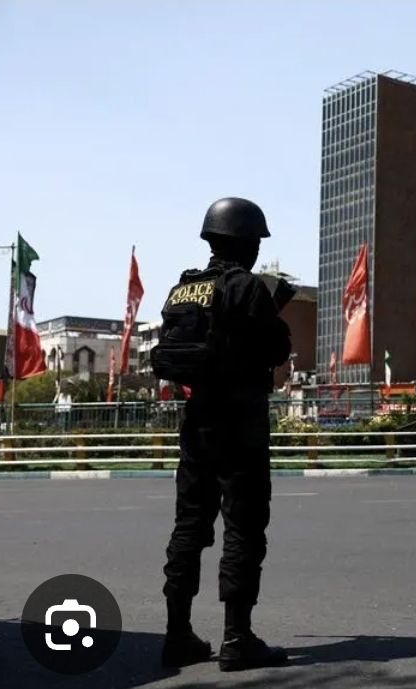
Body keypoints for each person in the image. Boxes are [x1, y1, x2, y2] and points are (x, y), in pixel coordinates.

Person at [151, 197, 293, 671]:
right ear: (247, 242)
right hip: (241, 423)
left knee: (189, 525)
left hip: (197, 421)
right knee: (244, 527)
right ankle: (237, 638)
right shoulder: (247, 287)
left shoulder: (182, 290)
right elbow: (277, 349)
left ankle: (177, 634)